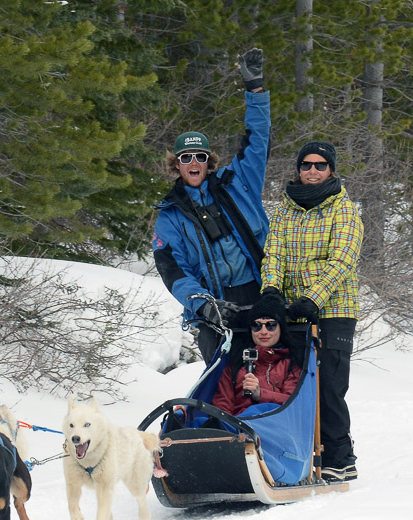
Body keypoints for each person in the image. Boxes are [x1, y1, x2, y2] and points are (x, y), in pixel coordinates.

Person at [151, 47, 270, 363]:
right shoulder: (169, 216)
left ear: (209, 162)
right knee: (222, 388)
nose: (193, 162)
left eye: (200, 157)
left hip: (259, 294)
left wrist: (255, 89)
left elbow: (257, 140)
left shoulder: (238, 184)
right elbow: (173, 271)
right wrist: (203, 304)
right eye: (185, 158)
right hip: (213, 307)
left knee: (270, 380)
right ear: (176, 165)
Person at [260, 141, 362, 483]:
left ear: (331, 169)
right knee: (295, 384)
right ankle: (299, 453)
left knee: (329, 387)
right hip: (294, 311)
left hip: (333, 309)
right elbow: (272, 254)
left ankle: (339, 457)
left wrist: (313, 298)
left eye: (320, 165)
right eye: (307, 165)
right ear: (298, 169)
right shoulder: (285, 210)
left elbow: (342, 261)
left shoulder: (343, 210)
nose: (313, 171)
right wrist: (271, 290)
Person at [211, 296, 303, 416]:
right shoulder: (235, 363)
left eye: (270, 325)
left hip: (275, 424)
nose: (263, 331)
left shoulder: (292, 363)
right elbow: (222, 405)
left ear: (281, 328)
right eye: (257, 326)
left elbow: (294, 403)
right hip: (240, 427)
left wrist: (260, 394)